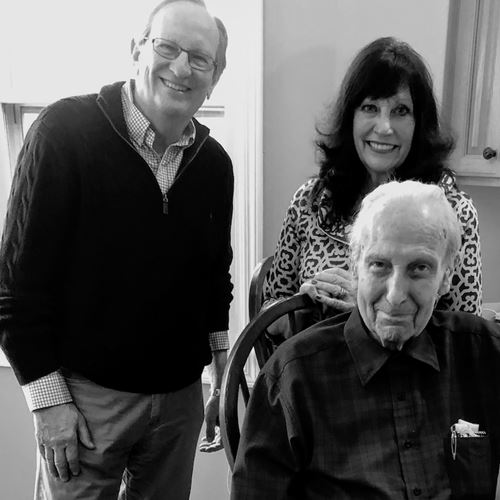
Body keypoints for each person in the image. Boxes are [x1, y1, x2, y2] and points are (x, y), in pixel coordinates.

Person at [0, 1, 233, 498]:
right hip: (85, 404)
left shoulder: (215, 166)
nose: (180, 68)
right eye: (167, 47)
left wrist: (222, 379)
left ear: (213, 77)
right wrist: (48, 404)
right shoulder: (64, 133)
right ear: (136, 50)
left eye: (200, 59)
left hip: (179, 402)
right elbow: (16, 287)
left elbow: (216, 281)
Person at [231, 180, 500, 500]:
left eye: (419, 268)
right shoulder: (292, 379)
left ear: (445, 277)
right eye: (379, 266)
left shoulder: (485, 353)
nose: (396, 295)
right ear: (356, 266)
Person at [263, 37, 482, 319]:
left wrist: (372, 308)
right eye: (370, 108)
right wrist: (300, 307)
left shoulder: (453, 213)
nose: (384, 127)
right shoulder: (311, 201)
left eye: (401, 111)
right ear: (350, 116)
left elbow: (464, 335)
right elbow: (269, 309)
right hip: (316, 361)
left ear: (419, 123)